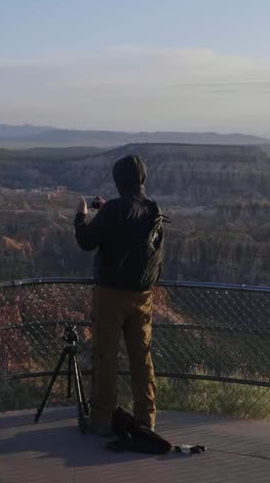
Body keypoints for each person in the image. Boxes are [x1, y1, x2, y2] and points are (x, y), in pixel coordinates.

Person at [74, 154, 165, 435]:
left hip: (111, 295)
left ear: (118, 180)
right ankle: (146, 418)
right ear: (142, 178)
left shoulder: (114, 209)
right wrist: (106, 211)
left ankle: (102, 418)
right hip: (143, 295)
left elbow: (86, 241)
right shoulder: (153, 208)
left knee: (106, 357)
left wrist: (82, 216)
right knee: (142, 357)